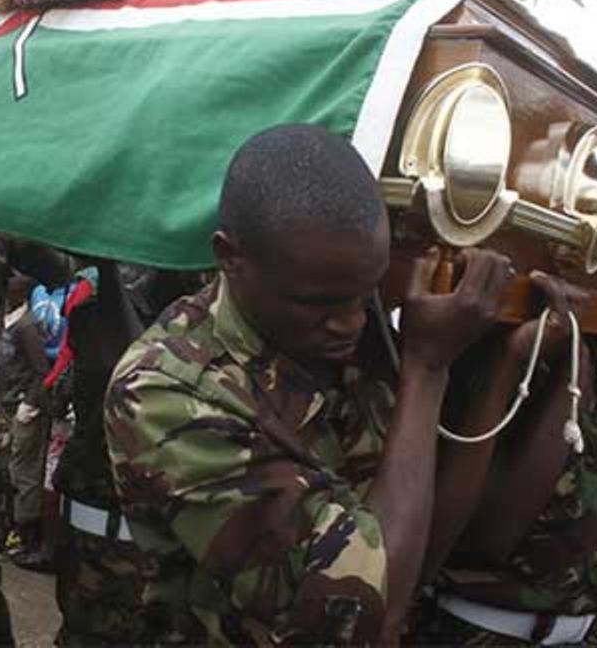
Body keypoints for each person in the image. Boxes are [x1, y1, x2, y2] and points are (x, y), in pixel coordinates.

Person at [104, 124, 514, 644]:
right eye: (316, 302)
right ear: (230, 256)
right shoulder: (166, 393)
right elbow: (364, 611)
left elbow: (426, 550)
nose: (351, 322)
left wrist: (504, 360)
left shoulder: (359, 340)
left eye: (365, 293)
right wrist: (427, 369)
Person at [405, 266, 597, 644]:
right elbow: (489, 538)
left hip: (589, 632)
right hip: (481, 632)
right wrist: (562, 370)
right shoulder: (479, 356)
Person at [52, 262, 203, 645]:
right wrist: (105, 266)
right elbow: (136, 381)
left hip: (179, 538)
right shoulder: (102, 290)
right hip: (105, 540)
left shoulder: (215, 301)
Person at [0, 271, 54, 569]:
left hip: (24, 409)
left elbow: (43, 372)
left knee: (25, 473)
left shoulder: (27, 326)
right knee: (9, 469)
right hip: (2, 407)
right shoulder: (4, 320)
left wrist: (29, 404)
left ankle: (26, 536)